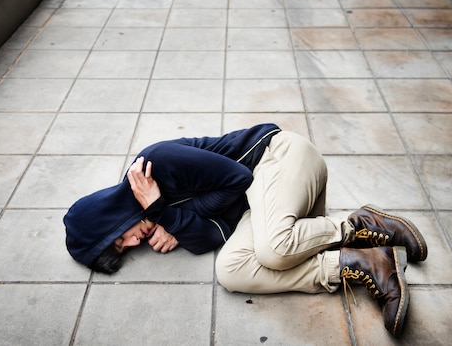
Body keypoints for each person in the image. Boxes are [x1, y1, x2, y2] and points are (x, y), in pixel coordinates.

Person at [63, 123, 427, 337]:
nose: (133, 241)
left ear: (109, 217)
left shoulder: (155, 163)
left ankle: (360, 223)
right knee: (231, 271)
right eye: (126, 248)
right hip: (264, 204)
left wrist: (167, 214)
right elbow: (213, 238)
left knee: (273, 250)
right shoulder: (155, 217)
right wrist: (171, 220)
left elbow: (239, 178)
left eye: (120, 237)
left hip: (281, 157)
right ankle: (365, 262)